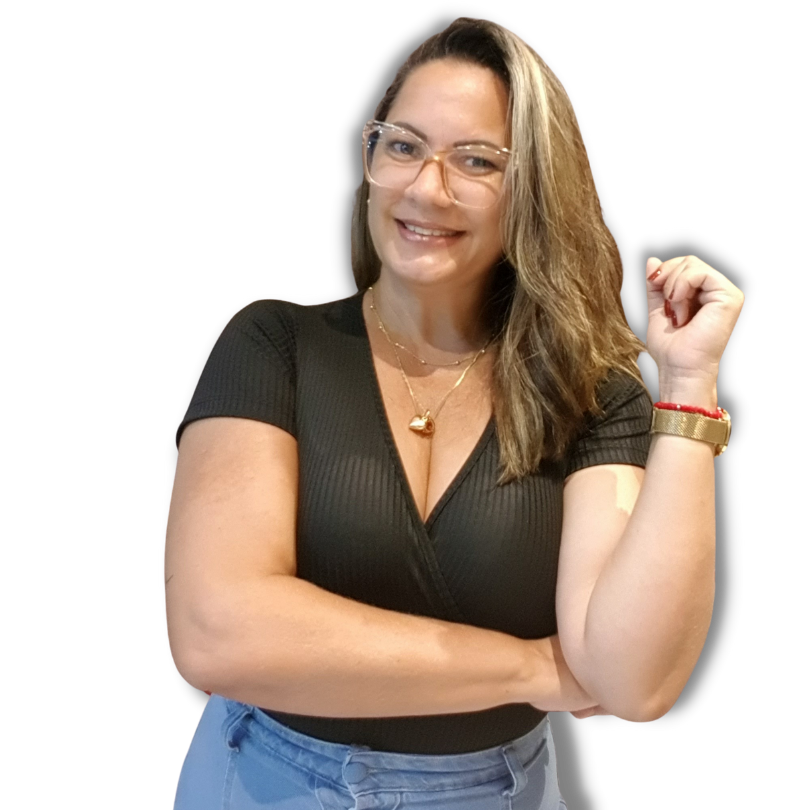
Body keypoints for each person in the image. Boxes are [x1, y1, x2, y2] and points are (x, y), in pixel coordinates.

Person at [166, 17, 744, 810]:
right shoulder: (274, 345)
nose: (425, 188)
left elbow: (634, 681)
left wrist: (688, 384)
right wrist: (535, 667)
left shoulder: (594, 396)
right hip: (259, 781)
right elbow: (217, 632)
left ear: (536, 189)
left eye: (476, 160)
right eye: (403, 145)